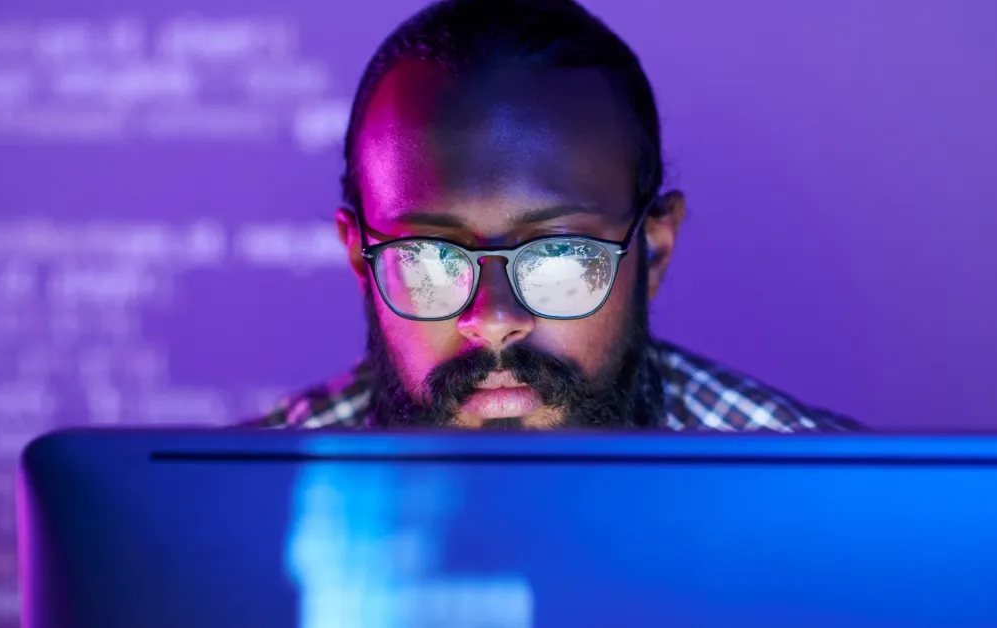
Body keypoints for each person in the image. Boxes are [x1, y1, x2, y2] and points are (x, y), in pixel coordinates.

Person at [255, 0, 862, 431]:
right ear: (360, 256)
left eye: (559, 256)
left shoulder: (839, 508)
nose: (493, 323)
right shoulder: (228, 512)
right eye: (432, 260)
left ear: (655, 249)